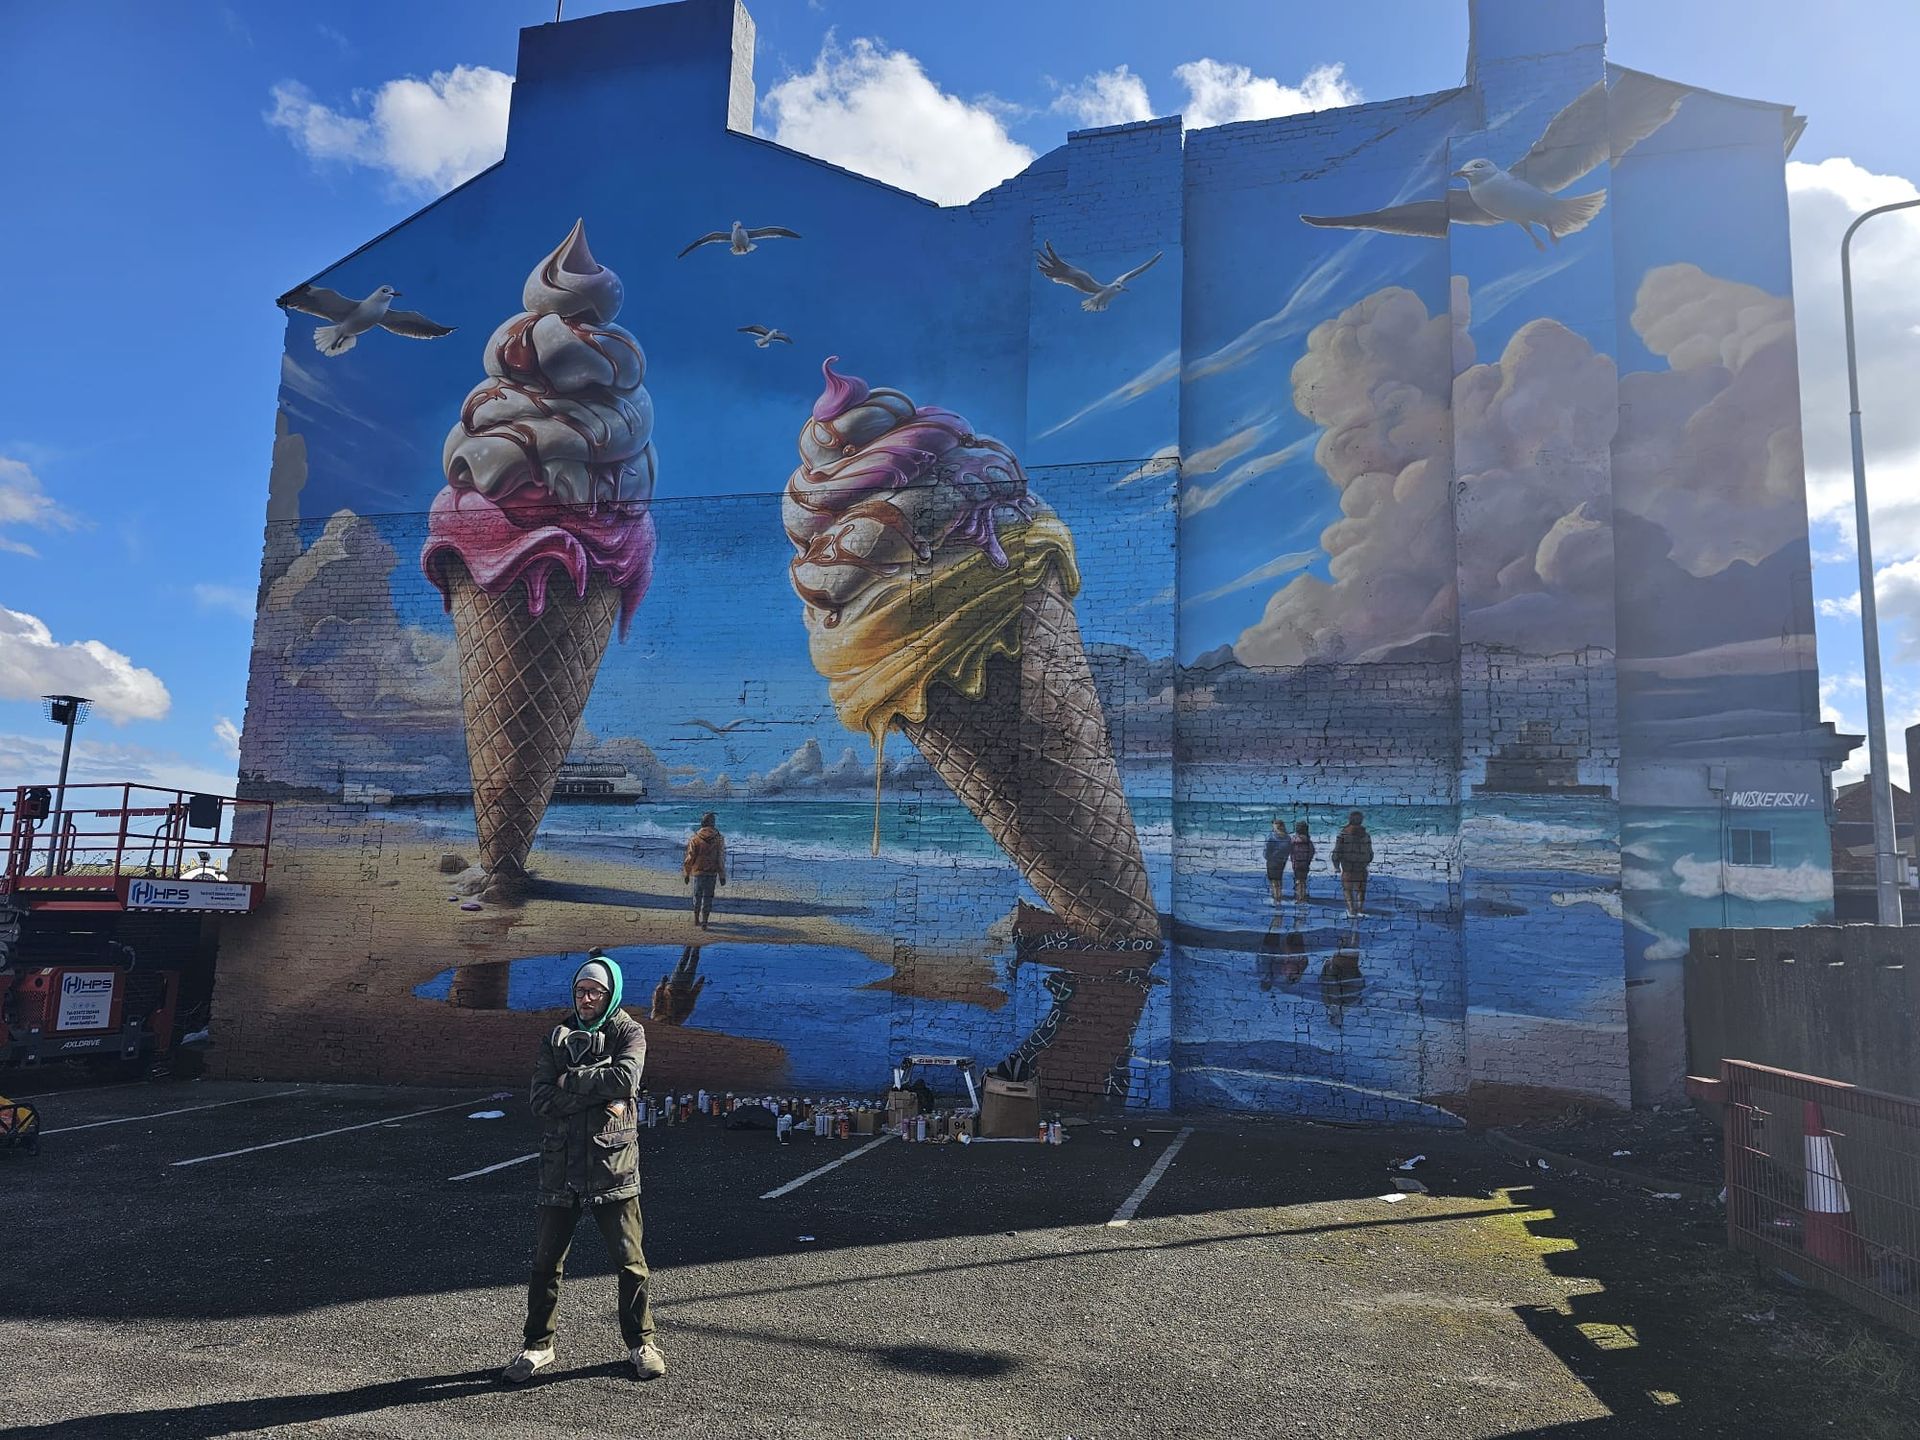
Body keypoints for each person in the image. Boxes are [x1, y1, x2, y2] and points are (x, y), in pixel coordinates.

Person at [501, 950, 665, 1385]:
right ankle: (537, 1346)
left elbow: (626, 1080)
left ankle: (641, 1343)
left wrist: (569, 1081)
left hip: (613, 1167)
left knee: (630, 1262)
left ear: (610, 995)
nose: (586, 998)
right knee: (545, 1263)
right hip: (561, 1168)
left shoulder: (629, 1032)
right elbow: (539, 1099)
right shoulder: (556, 1036)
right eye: (580, 990)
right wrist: (599, 1090)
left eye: (594, 991)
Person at [682, 812, 727, 929]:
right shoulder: (719, 839)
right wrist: (722, 875)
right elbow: (720, 859)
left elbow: (690, 858)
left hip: (697, 873)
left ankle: (696, 919)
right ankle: (705, 921)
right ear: (712, 824)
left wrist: (686, 873)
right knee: (708, 898)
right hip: (711, 873)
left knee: (697, 896)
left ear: (702, 823)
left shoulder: (695, 838)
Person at [1332, 810, 1373, 916]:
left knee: (1347, 889)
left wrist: (1336, 866)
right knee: (1360, 890)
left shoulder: (1343, 834)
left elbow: (1337, 852)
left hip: (1347, 867)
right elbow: (1370, 854)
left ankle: (1351, 910)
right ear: (1361, 821)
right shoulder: (1366, 835)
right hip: (1361, 867)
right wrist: (1366, 861)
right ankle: (1360, 910)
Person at [1288, 821, 1316, 903]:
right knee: (1303, 880)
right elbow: (1312, 851)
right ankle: (1302, 896)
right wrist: (1309, 860)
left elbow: (1290, 851)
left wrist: (1292, 859)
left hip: (1296, 863)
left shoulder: (1293, 840)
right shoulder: (1308, 841)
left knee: (1298, 880)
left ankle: (1299, 897)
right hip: (1305, 863)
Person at [1264, 818, 1289, 904]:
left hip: (1272, 861)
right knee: (1278, 879)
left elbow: (1266, 851)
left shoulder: (1272, 837)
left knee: (1273, 880)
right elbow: (1288, 850)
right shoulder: (1287, 837)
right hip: (1282, 861)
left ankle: (1276, 898)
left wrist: (1268, 858)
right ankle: (1279, 896)